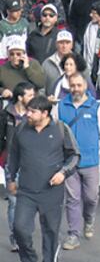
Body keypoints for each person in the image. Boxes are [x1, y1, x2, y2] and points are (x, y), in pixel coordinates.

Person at [6, 95, 79, 262]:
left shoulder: (61, 129)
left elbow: (74, 156)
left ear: (45, 113)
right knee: (20, 229)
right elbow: (13, 156)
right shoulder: (21, 129)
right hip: (26, 191)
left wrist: (63, 173)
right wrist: (10, 179)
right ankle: (29, 258)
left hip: (51, 192)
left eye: (32, 111)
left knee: (51, 232)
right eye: (28, 110)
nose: (27, 114)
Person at [56, 73, 100, 250]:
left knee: (91, 197)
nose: (75, 88)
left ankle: (88, 220)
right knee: (73, 199)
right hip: (68, 164)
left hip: (90, 162)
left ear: (85, 86)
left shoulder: (95, 107)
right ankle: (73, 233)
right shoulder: (60, 106)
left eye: (78, 85)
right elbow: (54, 133)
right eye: (72, 85)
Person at [0, 81, 33, 253]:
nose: (33, 98)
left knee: (28, 202)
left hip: (31, 164)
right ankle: (16, 237)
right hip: (11, 163)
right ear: (20, 97)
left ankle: (25, 234)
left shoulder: (35, 114)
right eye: (30, 95)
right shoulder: (6, 114)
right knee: (14, 202)